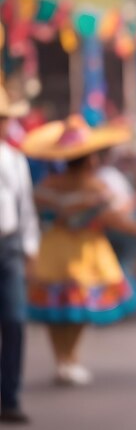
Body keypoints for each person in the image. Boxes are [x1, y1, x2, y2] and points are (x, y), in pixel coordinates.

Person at [20, 114, 136, 386]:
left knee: (56, 310)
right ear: (89, 157)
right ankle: (70, 358)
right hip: (85, 249)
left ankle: (62, 359)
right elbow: (112, 219)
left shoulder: (47, 187)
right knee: (78, 309)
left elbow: (35, 211)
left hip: (54, 247)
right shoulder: (96, 187)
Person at [0, 86, 39, 424]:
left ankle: (9, 397)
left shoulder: (13, 158)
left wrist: (30, 248)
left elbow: (25, 206)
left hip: (9, 246)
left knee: (14, 321)